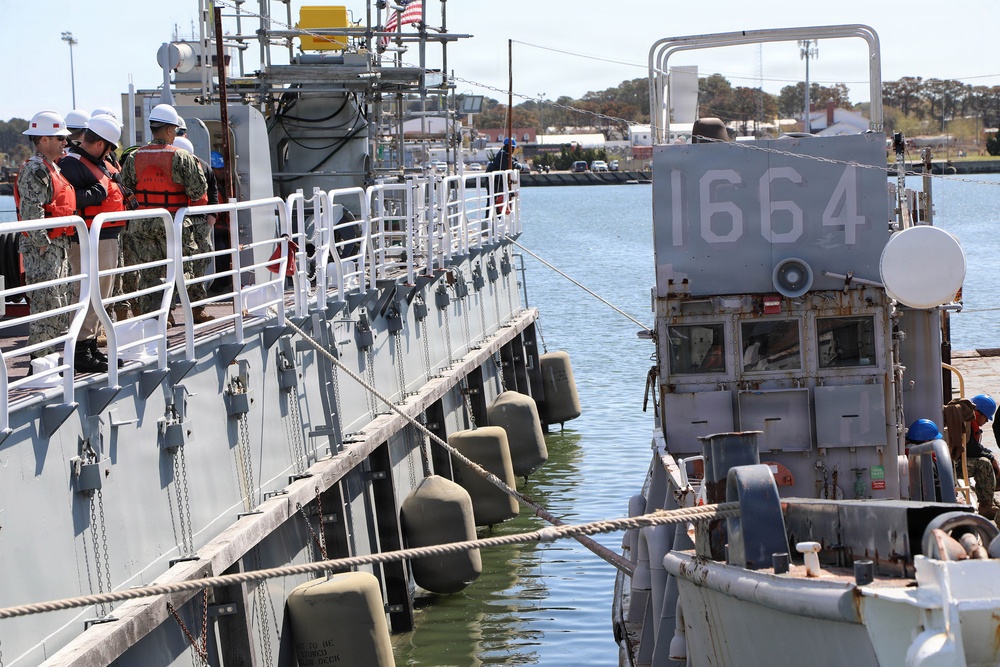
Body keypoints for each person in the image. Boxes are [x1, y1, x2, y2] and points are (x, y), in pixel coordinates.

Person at [120, 104, 207, 319]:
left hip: (143, 223)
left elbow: (125, 187)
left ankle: (159, 318)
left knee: (150, 274)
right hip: (174, 223)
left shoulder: (133, 157)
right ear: (170, 130)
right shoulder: (183, 157)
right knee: (182, 270)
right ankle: (190, 313)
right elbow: (198, 191)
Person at [58, 114, 128, 372]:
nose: (110, 154)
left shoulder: (91, 163)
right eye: (109, 148)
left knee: (101, 293)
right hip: (88, 237)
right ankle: (80, 350)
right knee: (87, 292)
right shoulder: (72, 164)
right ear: (100, 145)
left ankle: (89, 346)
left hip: (104, 236)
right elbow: (68, 198)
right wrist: (99, 192)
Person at [13, 111, 76, 366]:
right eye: (60, 137)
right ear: (44, 139)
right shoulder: (36, 169)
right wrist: (42, 247)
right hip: (45, 251)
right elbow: (32, 213)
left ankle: (48, 363)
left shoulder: (51, 168)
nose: (65, 142)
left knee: (57, 305)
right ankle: (39, 366)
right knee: (46, 307)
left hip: (56, 248)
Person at [173, 136, 216, 322]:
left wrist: (213, 214)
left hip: (199, 223)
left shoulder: (204, 167)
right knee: (173, 267)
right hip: (175, 223)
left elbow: (213, 190)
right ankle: (166, 313)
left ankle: (198, 309)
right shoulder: (169, 168)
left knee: (200, 264)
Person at [966, 394, 1000, 521]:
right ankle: (985, 507)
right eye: (986, 418)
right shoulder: (967, 423)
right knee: (984, 464)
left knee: (988, 458)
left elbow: (976, 446)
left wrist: (991, 455)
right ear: (978, 414)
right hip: (956, 463)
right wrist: (990, 458)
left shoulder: (968, 422)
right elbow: (972, 449)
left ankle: (988, 497)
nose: (986, 421)